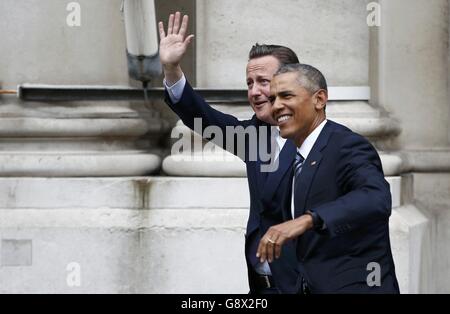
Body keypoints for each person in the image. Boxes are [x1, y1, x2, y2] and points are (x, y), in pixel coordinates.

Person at [158, 12, 300, 293]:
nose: (255, 92)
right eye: (250, 83)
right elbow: (202, 116)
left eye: (263, 81)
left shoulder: (326, 140)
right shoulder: (252, 136)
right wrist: (172, 69)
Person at [257, 63, 400, 294]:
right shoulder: (293, 157)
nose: (276, 106)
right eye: (272, 99)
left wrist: (307, 220)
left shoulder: (347, 145)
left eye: (286, 96)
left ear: (319, 99)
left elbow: (376, 198)